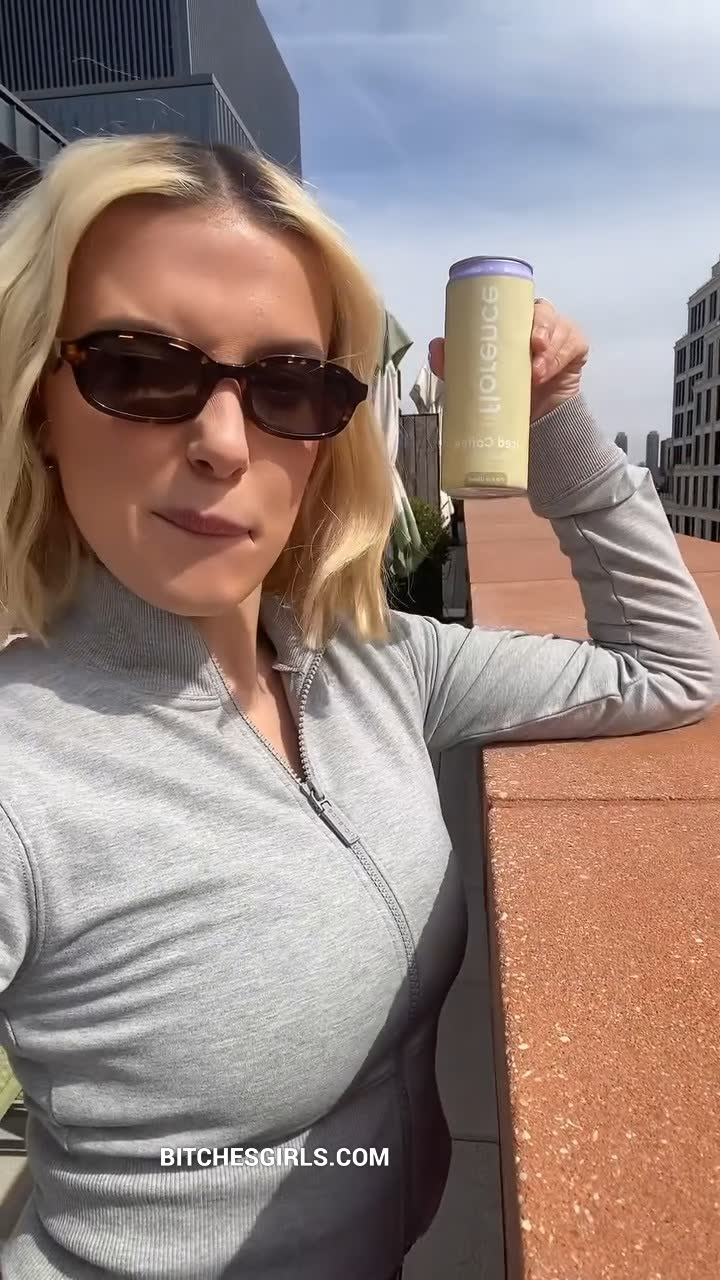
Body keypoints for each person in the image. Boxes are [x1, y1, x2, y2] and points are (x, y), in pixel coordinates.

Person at [0, 135, 717, 1280]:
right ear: (40, 400)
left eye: (289, 385)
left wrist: (558, 420)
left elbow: (671, 670)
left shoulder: (370, 663)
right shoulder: (23, 770)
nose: (223, 442)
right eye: (140, 369)